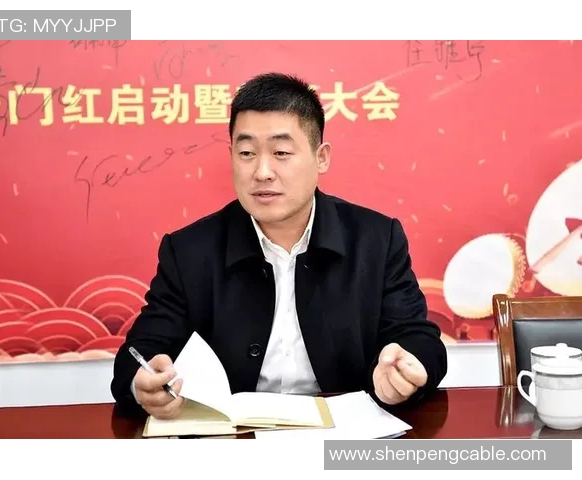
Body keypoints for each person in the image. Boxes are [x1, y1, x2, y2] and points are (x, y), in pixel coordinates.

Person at [111, 72, 448, 419]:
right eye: (246, 152)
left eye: (281, 152)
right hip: (235, 438)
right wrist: (142, 383)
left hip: (344, 431)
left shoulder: (375, 239)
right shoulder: (189, 251)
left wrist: (408, 370)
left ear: (321, 157)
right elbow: (140, 353)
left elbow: (418, 339)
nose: (262, 172)